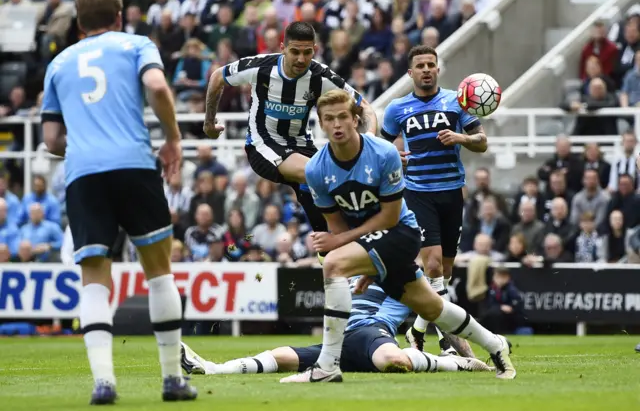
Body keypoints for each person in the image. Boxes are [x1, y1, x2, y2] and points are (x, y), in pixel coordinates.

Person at [279, 89, 515, 383]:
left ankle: (327, 366)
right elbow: (337, 225)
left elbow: (389, 218)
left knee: (332, 263)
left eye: (343, 117)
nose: (337, 124)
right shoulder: (315, 169)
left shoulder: (383, 152)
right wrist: (365, 264)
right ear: (321, 124)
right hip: (371, 244)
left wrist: (344, 248)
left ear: (356, 120)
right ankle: (496, 344)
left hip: (401, 233)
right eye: (329, 119)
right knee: (433, 307)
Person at [40, 0, 196, 405]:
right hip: (134, 164)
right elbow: (158, 86)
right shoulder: (137, 44)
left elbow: (52, 139)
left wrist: (87, 139)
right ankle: (172, 380)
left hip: (84, 173)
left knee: (94, 279)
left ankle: (104, 383)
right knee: (159, 270)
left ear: (78, 23)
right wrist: (173, 139)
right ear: (120, 17)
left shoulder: (58, 62)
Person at [203, 21, 378, 259]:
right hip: (262, 145)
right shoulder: (261, 67)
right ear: (283, 47)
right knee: (321, 172)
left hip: (301, 145)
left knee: (322, 191)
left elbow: (365, 109)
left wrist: (371, 143)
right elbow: (216, 77)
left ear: (314, 50)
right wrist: (209, 123)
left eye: (307, 52)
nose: (300, 59)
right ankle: (348, 242)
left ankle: (330, 256)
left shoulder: (319, 75)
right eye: (295, 51)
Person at [380, 45, 488, 355]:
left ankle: (416, 331)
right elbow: (380, 148)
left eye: (431, 64)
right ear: (410, 72)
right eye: (421, 65)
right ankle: (449, 342)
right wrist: (394, 157)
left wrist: (461, 138)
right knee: (433, 264)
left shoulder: (458, 101)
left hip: (452, 192)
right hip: (418, 193)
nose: (426, 69)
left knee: (444, 272)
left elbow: (482, 142)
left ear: (438, 69)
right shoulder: (397, 108)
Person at [180, 277, 492, 375]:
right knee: (282, 357)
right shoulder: (353, 258)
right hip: (339, 340)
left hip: (373, 333)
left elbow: (437, 308)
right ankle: (212, 369)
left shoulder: (405, 271)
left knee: (392, 360)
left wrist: (458, 348)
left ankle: (454, 363)